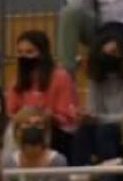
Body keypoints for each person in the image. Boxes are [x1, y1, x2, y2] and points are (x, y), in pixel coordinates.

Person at [7, 30, 79, 159]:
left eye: (29, 52)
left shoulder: (61, 77)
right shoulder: (16, 82)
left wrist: (47, 116)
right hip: (23, 129)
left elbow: (67, 116)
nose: (24, 57)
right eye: (20, 52)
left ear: (42, 53)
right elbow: (11, 112)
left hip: (54, 131)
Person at [77, 28, 123, 168]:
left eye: (113, 53)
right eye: (104, 53)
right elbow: (94, 109)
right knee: (82, 131)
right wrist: (87, 116)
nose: (109, 57)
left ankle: (109, 175)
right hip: (104, 125)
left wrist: (98, 118)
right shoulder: (96, 80)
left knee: (105, 130)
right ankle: (81, 174)